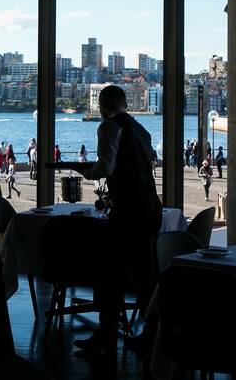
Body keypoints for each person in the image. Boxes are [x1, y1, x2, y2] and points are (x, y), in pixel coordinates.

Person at [76, 85, 162, 361]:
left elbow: (106, 167)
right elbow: (150, 160)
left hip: (129, 210)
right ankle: (153, 333)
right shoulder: (141, 129)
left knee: (110, 272)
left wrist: (88, 172)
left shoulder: (108, 127)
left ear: (102, 106)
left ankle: (107, 334)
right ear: (125, 103)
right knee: (145, 272)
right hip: (150, 206)